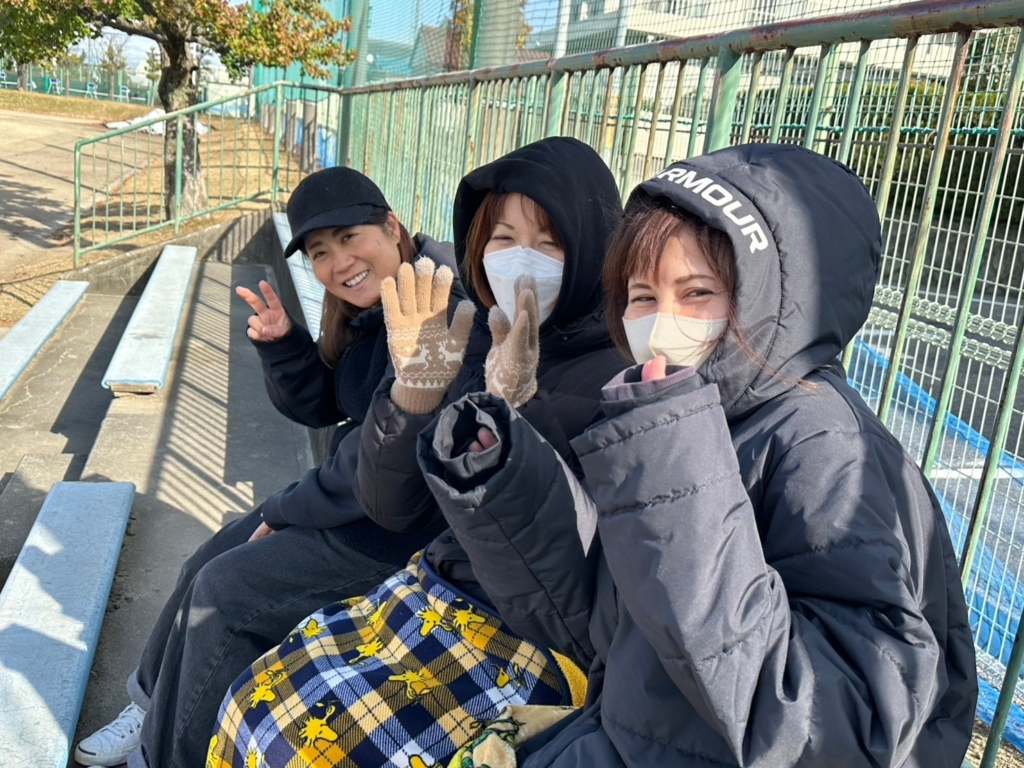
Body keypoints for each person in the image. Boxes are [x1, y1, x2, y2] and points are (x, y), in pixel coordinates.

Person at [417, 144, 979, 767]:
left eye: (697, 292)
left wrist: (674, 473)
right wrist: (507, 483)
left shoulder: (828, 448)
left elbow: (842, 728)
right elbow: (606, 627)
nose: (662, 326)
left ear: (773, 300)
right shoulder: (687, 412)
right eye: (642, 296)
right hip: (633, 730)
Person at [207, 137, 628, 768]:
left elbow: (576, 569)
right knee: (251, 702)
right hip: (435, 584)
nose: (521, 261)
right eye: (504, 238)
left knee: (241, 624)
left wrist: (516, 419)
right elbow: (391, 500)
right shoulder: (471, 329)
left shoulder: (622, 373)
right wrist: (412, 395)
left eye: (549, 243)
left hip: (523, 635)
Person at [75, 167, 458, 768]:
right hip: (357, 505)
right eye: (320, 252)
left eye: (349, 237)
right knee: (206, 559)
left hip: (401, 532)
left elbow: (380, 454)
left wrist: (283, 511)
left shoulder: (435, 309)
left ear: (391, 225)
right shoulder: (373, 306)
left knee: (226, 594)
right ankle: (151, 707)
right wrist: (284, 346)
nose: (339, 263)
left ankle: (165, 753)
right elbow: (330, 406)